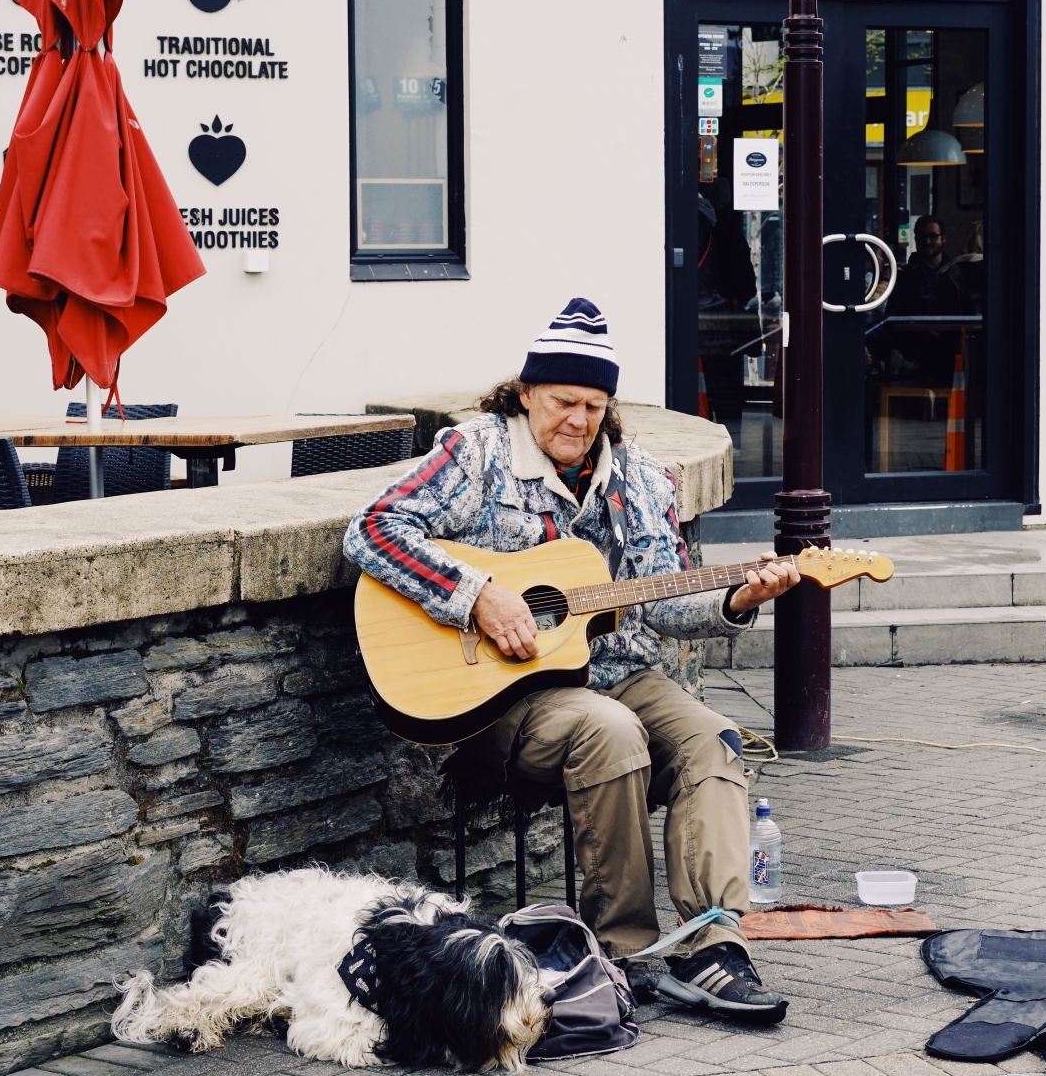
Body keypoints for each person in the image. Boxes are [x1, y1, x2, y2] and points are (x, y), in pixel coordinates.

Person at [343, 298, 802, 1024]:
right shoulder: (477, 454)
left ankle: (711, 947)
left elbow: (663, 600)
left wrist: (740, 598)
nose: (578, 420)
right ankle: (623, 950)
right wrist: (477, 595)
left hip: (622, 677)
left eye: (594, 405)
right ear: (525, 393)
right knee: (609, 728)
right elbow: (372, 529)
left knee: (714, 738)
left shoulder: (642, 480)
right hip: (506, 701)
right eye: (562, 401)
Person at [889, 217, 969, 316]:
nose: (927, 241)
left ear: (943, 238)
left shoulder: (957, 275)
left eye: (933, 236)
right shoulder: (903, 275)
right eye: (922, 236)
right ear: (915, 239)